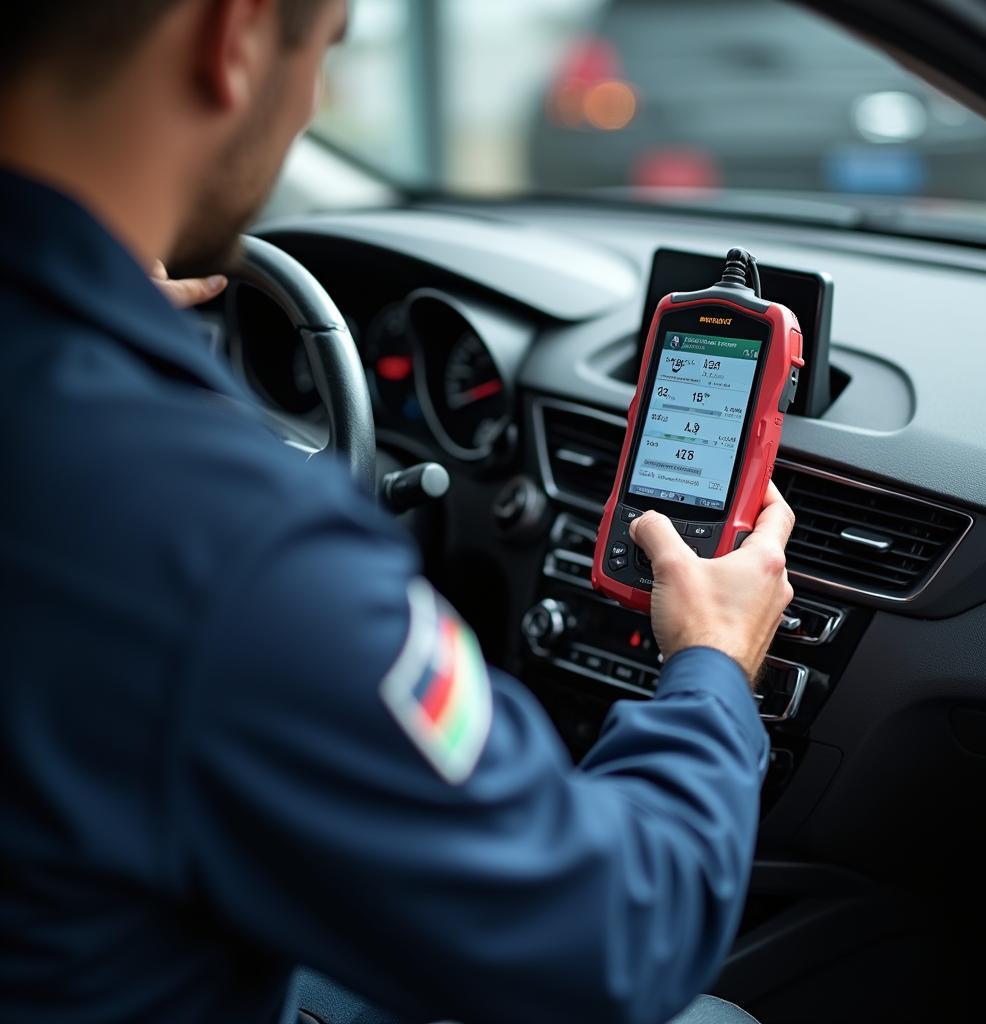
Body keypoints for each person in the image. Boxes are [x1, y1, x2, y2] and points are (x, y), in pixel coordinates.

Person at [0, 2, 795, 1023]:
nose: (314, 103)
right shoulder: (224, 538)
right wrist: (714, 672)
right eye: (325, 52)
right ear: (232, 36)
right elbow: (618, 927)